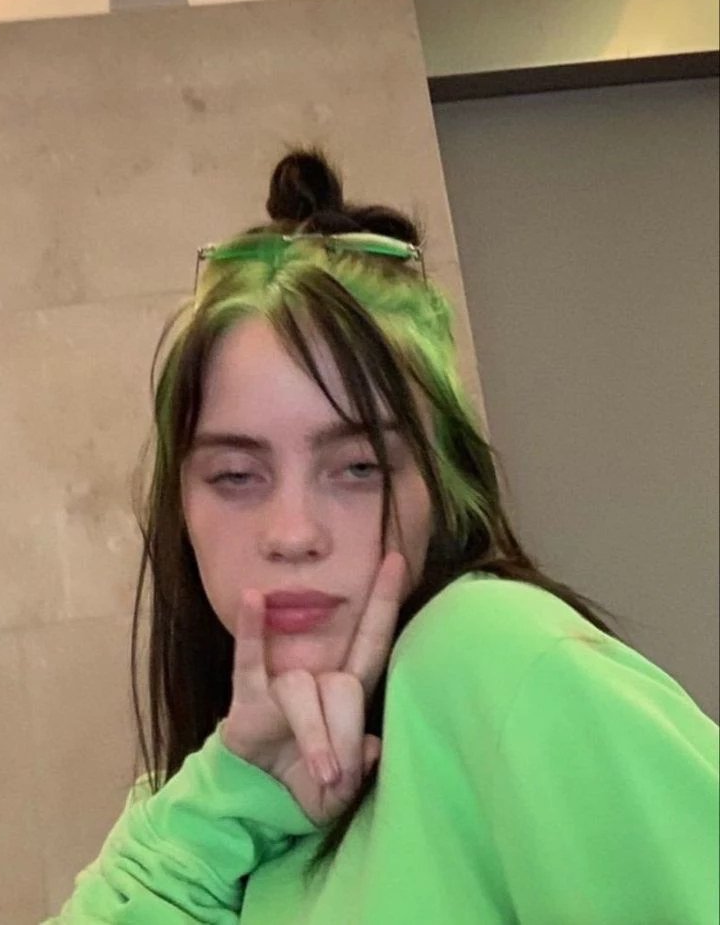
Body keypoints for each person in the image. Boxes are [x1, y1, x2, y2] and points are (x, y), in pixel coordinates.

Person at [47, 148, 719, 924]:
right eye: (235, 475)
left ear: (442, 485)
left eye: (359, 467)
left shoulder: (492, 653)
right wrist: (227, 800)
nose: (293, 533)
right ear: (181, 509)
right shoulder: (198, 803)